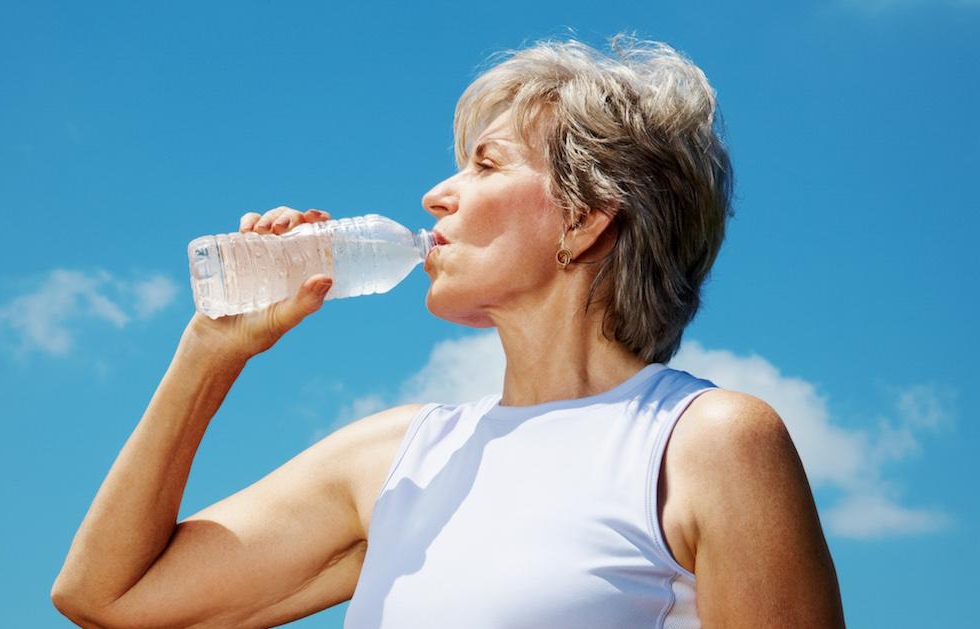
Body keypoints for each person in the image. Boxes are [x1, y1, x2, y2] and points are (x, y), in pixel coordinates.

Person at [51, 34, 846, 628]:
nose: (437, 194)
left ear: (587, 218)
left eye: (487, 165)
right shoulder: (397, 458)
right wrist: (209, 354)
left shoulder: (706, 443)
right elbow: (105, 595)